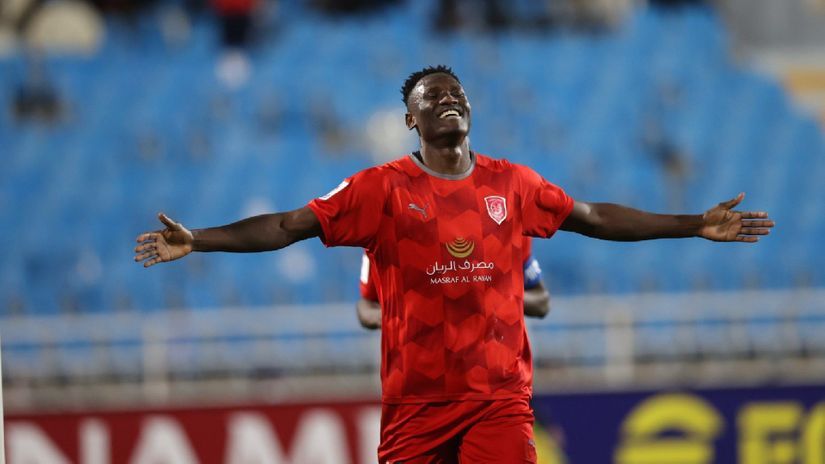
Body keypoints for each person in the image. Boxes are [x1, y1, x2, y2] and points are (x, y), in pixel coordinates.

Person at [134, 65, 774, 463]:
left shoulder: (513, 184)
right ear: (410, 119)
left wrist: (693, 224)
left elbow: (595, 217)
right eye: (432, 95)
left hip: (498, 397)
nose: (448, 99)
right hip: (415, 404)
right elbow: (287, 226)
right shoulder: (379, 189)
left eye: (457, 92)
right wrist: (200, 239)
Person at [357, 236, 550, 330]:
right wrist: (403, 318)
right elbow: (366, 305)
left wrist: (493, 298)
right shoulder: (387, 233)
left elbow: (541, 302)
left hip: (499, 377)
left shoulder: (506, 223)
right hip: (421, 378)